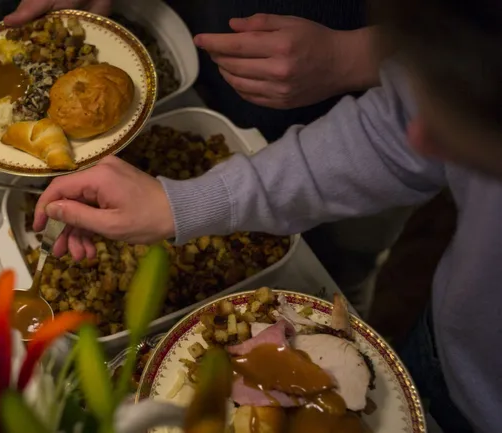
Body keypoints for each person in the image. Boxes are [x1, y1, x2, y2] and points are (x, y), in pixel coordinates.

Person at [25, 0, 502, 431]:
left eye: (479, 119)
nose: (422, 141)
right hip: (445, 349)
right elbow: (392, 132)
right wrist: (179, 205)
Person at [4, 0, 413, 318]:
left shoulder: (438, 108)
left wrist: (357, 55)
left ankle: (352, 290)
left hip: (367, 98)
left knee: (338, 262)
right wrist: (182, 204)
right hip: (218, 47)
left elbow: (405, 124)